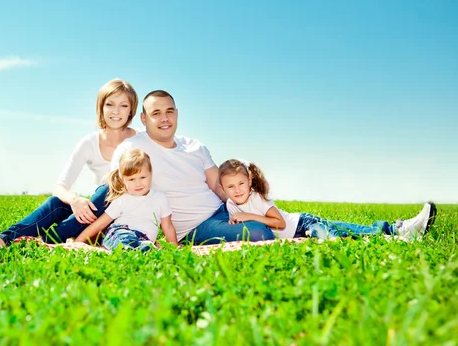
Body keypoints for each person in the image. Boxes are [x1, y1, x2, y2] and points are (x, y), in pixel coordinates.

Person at [0, 79, 138, 251]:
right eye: (110, 104)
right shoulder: (89, 143)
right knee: (57, 202)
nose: (116, 111)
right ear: (101, 107)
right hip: (94, 213)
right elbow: (60, 186)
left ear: (131, 110)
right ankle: (1, 240)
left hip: (124, 215)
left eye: (123, 105)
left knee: (109, 188)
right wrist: (75, 200)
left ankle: (43, 241)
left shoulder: (139, 140)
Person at [111, 90, 275, 245]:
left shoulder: (195, 146)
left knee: (277, 221)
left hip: (225, 212)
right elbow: (111, 189)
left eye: (169, 111)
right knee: (259, 233)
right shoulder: (132, 148)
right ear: (143, 119)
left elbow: (220, 188)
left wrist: (255, 207)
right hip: (196, 228)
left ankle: (298, 223)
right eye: (156, 113)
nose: (165, 118)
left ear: (176, 114)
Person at [218, 159, 437, 240]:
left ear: (249, 180)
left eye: (240, 184)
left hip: (301, 223)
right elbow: (241, 222)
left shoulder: (257, 198)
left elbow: (280, 223)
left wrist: (248, 215)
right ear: (223, 188)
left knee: (333, 238)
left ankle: (400, 233)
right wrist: (236, 221)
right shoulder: (230, 204)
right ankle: (396, 229)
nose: (237, 190)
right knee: (345, 230)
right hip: (298, 232)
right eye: (230, 186)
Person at [70, 148, 179, 251]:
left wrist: (174, 244)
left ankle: (140, 249)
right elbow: (100, 224)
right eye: (131, 179)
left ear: (150, 174)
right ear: (123, 180)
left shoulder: (160, 198)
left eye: (142, 177)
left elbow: (167, 226)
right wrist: (78, 242)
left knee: (145, 245)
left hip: (144, 239)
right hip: (120, 233)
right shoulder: (122, 199)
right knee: (125, 238)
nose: (138, 183)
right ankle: (130, 249)